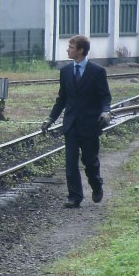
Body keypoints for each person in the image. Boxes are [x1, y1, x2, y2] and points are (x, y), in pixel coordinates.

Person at [41, 34, 112, 208]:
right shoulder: (65, 71)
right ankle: (75, 197)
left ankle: (96, 184)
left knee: (89, 161)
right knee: (71, 163)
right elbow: (62, 99)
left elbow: (105, 96)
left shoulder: (97, 72)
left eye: (71, 47)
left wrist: (106, 112)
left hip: (89, 125)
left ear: (81, 50)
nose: (68, 50)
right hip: (71, 124)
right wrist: (51, 118)